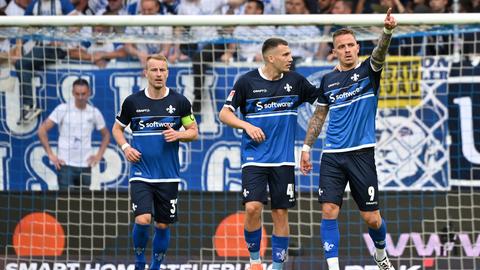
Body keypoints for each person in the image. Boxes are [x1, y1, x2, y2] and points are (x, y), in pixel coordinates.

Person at [299, 9, 397, 270]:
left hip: (361, 154)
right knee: (329, 210)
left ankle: (380, 253)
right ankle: (333, 267)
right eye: (341, 47)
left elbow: (380, 53)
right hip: (332, 156)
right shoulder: (328, 80)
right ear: (335, 51)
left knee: (371, 218)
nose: (347, 50)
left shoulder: (368, 71)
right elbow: (319, 116)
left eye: (351, 45)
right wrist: (307, 147)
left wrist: (386, 32)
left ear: (357, 47)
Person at [219, 38, 319, 270]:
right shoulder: (247, 82)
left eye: (290, 54)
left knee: (280, 213)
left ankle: (277, 265)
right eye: (285, 54)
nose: (290, 58)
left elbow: (321, 100)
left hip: (283, 161)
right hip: (254, 159)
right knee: (253, 207)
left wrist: (338, 76)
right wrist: (246, 126)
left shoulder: (295, 81)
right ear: (271, 58)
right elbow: (224, 114)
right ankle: (255, 261)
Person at [112, 54, 198, 270]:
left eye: (162, 70)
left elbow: (193, 132)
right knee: (142, 220)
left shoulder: (180, 102)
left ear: (168, 73)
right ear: (146, 73)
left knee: (162, 224)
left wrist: (178, 135)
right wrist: (125, 147)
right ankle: (140, 263)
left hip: (168, 175)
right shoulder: (133, 102)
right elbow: (117, 129)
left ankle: (156, 266)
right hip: (141, 173)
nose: (159, 74)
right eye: (154, 70)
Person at [37, 78, 110, 190]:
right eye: (77, 94)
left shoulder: (94, 112)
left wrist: (99, 156)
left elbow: (106, 135)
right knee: (65, 204)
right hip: (65, 165)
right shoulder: (62, 109)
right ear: (72, 93)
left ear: (89, 93)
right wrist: (51, 155)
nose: (80, 97)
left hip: (85, 165)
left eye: (83, 94)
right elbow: (42, 130)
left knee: (84, 205)